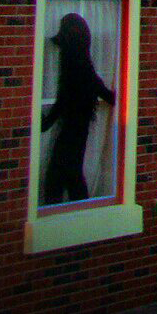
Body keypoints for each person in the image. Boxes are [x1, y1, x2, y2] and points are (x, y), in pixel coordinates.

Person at [41, 12, 116, 204]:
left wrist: (46, 122)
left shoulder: (75, 64)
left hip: (72, 129)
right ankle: (80, 208)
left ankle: (65, 209)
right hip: (78, 128)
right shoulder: (83, 63)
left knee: (60, 175)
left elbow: (64, 99)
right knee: (70, 175)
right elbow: (101, 89)